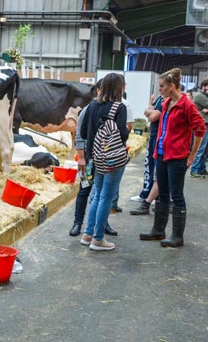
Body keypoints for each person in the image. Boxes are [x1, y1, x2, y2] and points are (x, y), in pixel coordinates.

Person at [140, 68, 206, 248]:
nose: (159, 89)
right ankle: (158, 230)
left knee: (176, 195)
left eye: (162, 86)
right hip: (161, 153)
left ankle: (177, 235)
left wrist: (192, 155)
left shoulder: (187, 105)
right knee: (162, 193)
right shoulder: (166, 103)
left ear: (172, 86)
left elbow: (200, 129)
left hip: (177, 156)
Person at [78, 73, 128, 251]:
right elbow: (123, 135)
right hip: (112, 158)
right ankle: (98, 239)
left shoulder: (91, 107)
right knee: (106, 197)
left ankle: (88, 234)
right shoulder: (119, 108)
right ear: (118, 88)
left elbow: (83, 133)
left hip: (95, 157)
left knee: (97, 195)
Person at [69, 107, 118, 237]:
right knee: (84, 189)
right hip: (88, 157)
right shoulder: (89, 109)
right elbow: (79, 133)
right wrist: (80, 157)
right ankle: (77, 223)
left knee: (103, 194)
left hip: (104, 158)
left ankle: (102, 224)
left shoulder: (112, 108)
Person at [131, 92, 163, 215]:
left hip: (159, 137)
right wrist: (151, 108)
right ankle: (147, 193)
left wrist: (151, 111)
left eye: (162, 86)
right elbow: (147, 113)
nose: (161, 89)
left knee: (156, 169)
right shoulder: (159, 99)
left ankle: (154, 197)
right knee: (149, 166)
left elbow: (152, 117)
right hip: (154, 134)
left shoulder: (166, 101)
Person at [190, 79, 208, 178]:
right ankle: (194, 170)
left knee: (206, 149)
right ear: (203, 86)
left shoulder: (206, 97)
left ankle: (202, 169)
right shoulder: (200, 96)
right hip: (203, 124)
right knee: (200, 148)